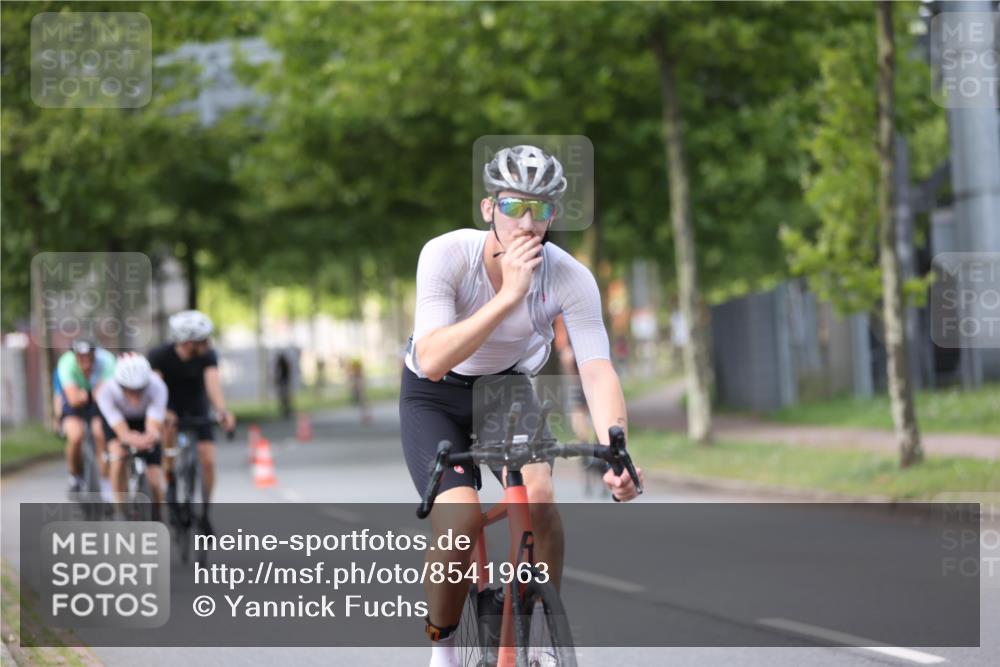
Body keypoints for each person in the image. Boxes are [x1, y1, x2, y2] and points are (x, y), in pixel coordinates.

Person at [399, 145, 643, 667]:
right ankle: (441, 650)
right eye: (513, 207)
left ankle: (533, 631)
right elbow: (433, 357)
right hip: (434, 393)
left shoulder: (569, 276)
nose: (527, 223)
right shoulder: (446, 255)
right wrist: (509, 296)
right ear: (489, 208)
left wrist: (616, 447)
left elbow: (597, 368)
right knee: (461, 521)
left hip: (506, 389)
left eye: (542, 209)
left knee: (540, 498)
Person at [148, 310, 236, 534]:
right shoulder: (159, 355)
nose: (208, 343)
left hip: (197, 404)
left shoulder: (207, 355)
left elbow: (213, 385)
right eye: (203, 339)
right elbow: (155, 390)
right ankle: (170, 481)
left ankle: (205, 512)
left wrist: (222, 412)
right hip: (168, 404)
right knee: (167, 432)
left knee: (207, 457)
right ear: (188, 342)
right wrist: (164, 412)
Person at [95, 353, 168, 519]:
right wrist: (129, 438)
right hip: (118, 422)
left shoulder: (158, 386)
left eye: (140, 390)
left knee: (155, 481)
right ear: (120, 385)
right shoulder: (106, 391)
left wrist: (150, 437)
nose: (135, 395)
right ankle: (120, 511)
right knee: (118, 456)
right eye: (129, 390)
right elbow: (121, 431)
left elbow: (153, 426)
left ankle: (160, 515)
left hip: (145, 421)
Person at [56, 338, 115, 497]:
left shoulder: (107, 360)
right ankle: (74, 476)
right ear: (74, 356)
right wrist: (89, 394)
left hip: (99, 403)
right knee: (75, 436)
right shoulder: (66, 363)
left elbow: (103, 394)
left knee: (100, 434)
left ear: (95, 354)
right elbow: (74, 399)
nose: (85, 361)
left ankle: (105, 482)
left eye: (89, 356)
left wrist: (87, 394)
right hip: (75, 404)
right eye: (81, 357)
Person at [275, 351, 293, 419]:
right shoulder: (283, 365)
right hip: (283, 383)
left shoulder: (283, 365)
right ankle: (285, 410)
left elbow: (281, 375)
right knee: (284, 397)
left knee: (284, 397)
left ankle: (286, 410)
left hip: (284, 383)